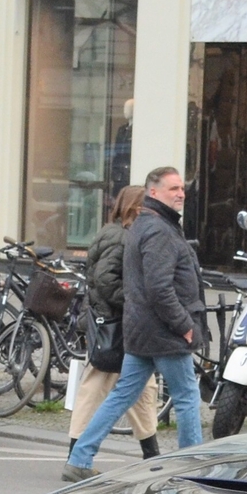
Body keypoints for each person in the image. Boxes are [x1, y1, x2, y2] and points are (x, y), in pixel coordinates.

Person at [65, 167, 204, 481]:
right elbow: (158, 288)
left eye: (181, 188)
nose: (180, 193)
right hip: (163, 333)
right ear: (153, 192)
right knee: (186, 396)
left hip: (141, 330)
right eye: (173, 189)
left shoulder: (147, 225)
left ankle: (80, 458)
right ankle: (192, 466)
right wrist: (184, 325)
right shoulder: (159, 230)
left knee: (122, 394)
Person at [70, 185, 166, 463]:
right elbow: (105, 278)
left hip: (116, 323)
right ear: (136, 208)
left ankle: (151, 454)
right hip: (117, 324)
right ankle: (78, 454)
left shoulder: (117, 233)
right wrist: (135, 300)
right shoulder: (121, 237)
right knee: (106, 387)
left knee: (137, 388)